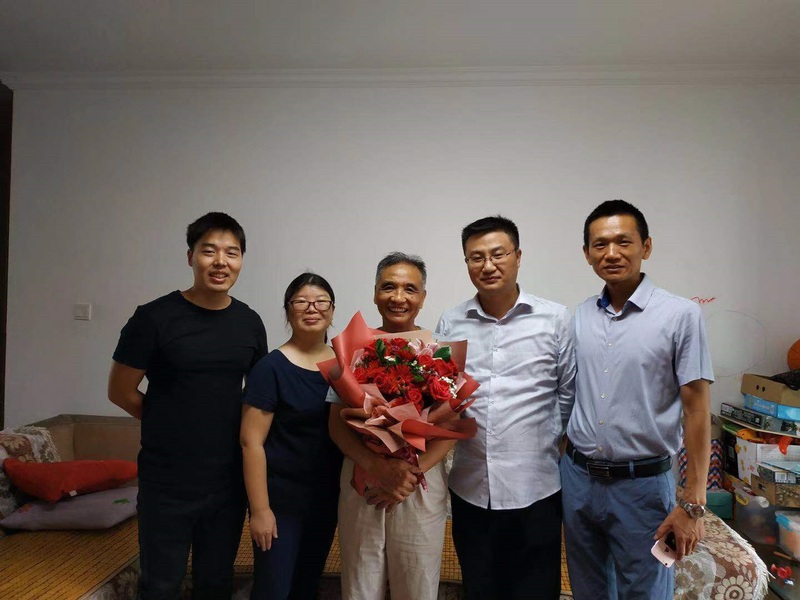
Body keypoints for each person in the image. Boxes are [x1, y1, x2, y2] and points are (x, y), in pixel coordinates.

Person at [108, 212, 267, 600]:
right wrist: (168, 421)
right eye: (209, 251)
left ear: (241, 260)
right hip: (167, 482)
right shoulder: (153, 317)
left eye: (231, 252)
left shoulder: (249, 322)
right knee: (161, 585)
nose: (220, 262)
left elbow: (257, 399)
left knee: (216, 582)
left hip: (228, 481)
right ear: (190, 257)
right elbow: (121, 391)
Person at [561, 199, 713, 600]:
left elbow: (697, 410)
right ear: (587, 254)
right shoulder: (580, 317)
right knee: (588, 591)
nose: (611, 253)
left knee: (646, 593)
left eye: (623, 242)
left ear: (646, 246)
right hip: (578, 479)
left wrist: (693, 502)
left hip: (642, 486)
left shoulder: (681, 315)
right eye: (600, 244)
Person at [434, 216, 576, 600]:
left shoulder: (555, 319)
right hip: (470, 489)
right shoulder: (451, 321)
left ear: (518, 256)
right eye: (476, 257)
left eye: (498, 254)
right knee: (479, 589)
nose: (488, 265)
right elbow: (444, 396)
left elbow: (567, 395)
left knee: (536, 591)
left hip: (536, 490)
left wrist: (547, 444)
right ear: (466, 263)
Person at [327, 252, 452, 600]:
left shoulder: (440, 350)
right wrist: (378, 467)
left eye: (410, 289)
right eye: (388, 287)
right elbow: (336, 425)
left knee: (417, 582)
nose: (399, 297)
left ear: (423, 297)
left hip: (419, 482)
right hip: (363, 476)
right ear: (375, 293)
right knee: (360, 581)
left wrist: (407, 475)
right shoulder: (351, 348)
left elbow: (452, 428)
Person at [240, 272, 343, 600]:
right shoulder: (270, 368)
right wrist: (260, 510)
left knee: (306, 585)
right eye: (301, 302)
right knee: (273, 589)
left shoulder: (345, 365)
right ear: (288, 311)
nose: (312, 308)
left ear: (332, 310)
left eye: (321, 301)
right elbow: (251, 442)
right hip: (280, 502)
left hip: (326, 498)